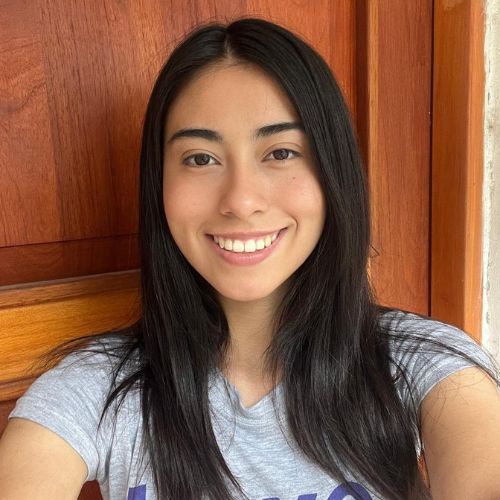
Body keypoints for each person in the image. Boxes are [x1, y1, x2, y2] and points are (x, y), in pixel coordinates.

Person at [0, 17, 499, 500]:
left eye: (280, 152)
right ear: (160, 185)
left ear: (333, 172)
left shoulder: (422, 364)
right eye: (200, 158)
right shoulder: (96, 388)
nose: (241, 200)